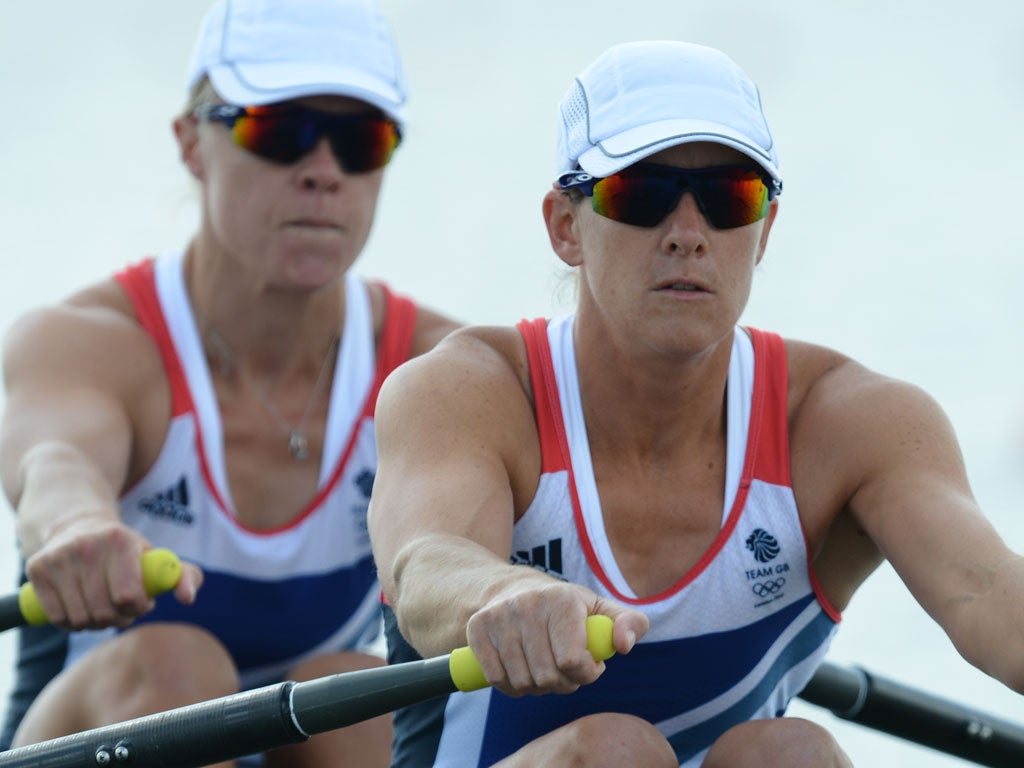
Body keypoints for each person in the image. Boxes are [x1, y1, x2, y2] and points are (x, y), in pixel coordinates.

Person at [367, 40, 1024, 767]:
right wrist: (499, 591)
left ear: (765, 230)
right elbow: (423, 567)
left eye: (728, 198)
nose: (688, 235)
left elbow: (997, 602)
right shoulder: (469, 391)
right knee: (616, 751)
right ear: (564, 227)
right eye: (641, 194)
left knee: (795, 754)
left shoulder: (856, 425)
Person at [0, 0, 460, 765]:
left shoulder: (438, 370)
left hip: (312, 733)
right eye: (278, 132)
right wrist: (77, 528)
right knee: (180, 665)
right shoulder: (90, 343)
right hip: (90, 728)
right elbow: (54, 467)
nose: (322, 172)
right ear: (191, 143)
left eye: (360, 140)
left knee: (362, 700)